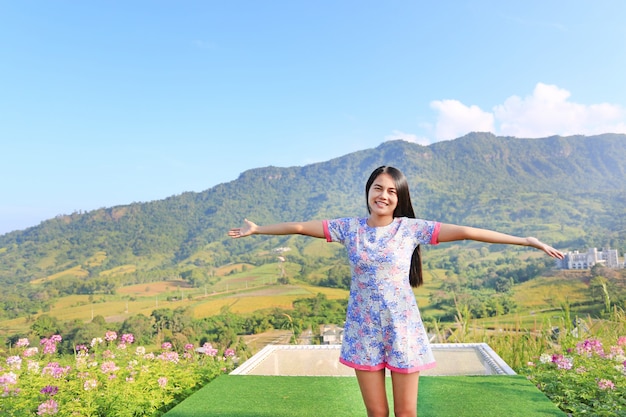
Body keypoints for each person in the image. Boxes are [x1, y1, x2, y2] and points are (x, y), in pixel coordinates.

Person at [229, 165, 564, 417]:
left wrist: (525, 240)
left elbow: (466, 232)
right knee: (377, 414)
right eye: (378, 188)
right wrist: (258, 230)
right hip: (363, 330)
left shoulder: (410, 229)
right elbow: (300, 228)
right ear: (368, 191)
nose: (383, 195)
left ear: (399, 198)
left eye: (391, 191)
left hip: (402, 329)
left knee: (406, 414)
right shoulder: (349, 228)